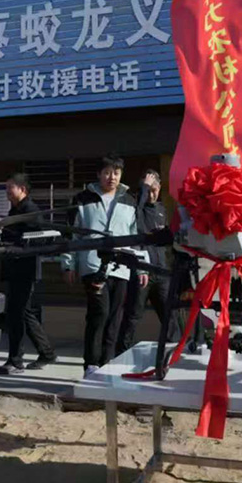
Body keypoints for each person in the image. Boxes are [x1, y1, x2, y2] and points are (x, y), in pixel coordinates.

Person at [62, 155, 148, 375]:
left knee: (114, 317)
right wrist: (68, 264)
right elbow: (72, 234)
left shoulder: (128, 200)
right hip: (92, 264)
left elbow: (136, 236)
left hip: (121, 266)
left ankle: (107, 363)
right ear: (99, 174)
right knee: (99, 313)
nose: (112, 177)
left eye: (116, 173)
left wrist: (142, 265)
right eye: (107, 172)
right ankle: (91, 364)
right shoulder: (82, 199)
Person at [0, 173, 57, 375]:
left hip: (24, 270)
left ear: (22, 189)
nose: (7, 192)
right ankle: (46, 353)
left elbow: (39, 239)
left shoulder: (30, 210)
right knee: (23, 313)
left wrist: (13, 243)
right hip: (13, 268)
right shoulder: (14, 210)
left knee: (16, 314)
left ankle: (15, 361)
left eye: (10, 187)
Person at [122, 169, 180, 351]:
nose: (151, 195)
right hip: (142, 270)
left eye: (154, 190)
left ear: (160, 188)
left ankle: (173, 351)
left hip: (161, 271)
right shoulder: (135, 207)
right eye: (148, 190)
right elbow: (135, 223)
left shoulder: (161, 209)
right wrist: (144, 189)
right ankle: (121, 350)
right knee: (133, 315)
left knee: (170, 315)